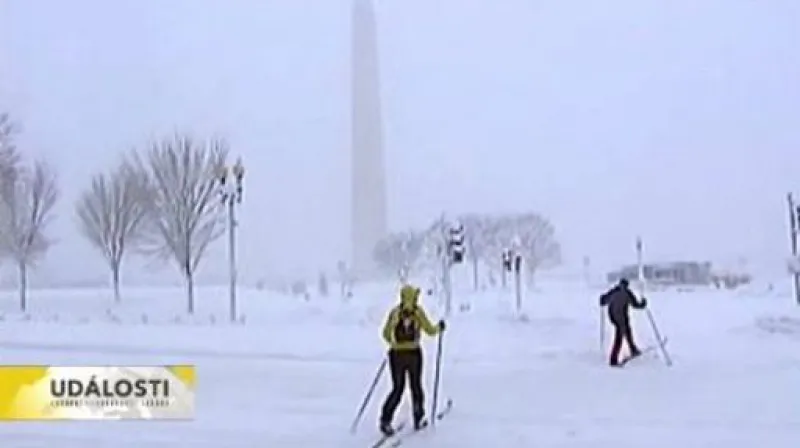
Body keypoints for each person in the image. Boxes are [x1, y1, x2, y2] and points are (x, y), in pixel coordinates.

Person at [378, 284, 445, 436]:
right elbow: (429, 330)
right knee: (416, 386)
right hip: (414, 354)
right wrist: (439, 328)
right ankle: (418, 417)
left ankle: (385, 419)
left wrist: (394, 344)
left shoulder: (395, 313)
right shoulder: (417, 312)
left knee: (397, 388)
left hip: (396, 355)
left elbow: (386, 333)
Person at [599, 278, 647, 366]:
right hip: (621, 318)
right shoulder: (627, 293)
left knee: (627, 331)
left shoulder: (614, 291)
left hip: (614, 317)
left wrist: (602, 299)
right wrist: (643, 304)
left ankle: (633, 349)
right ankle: (613, 360)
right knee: (619, 337)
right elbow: (636, 305)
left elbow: (604, 300)